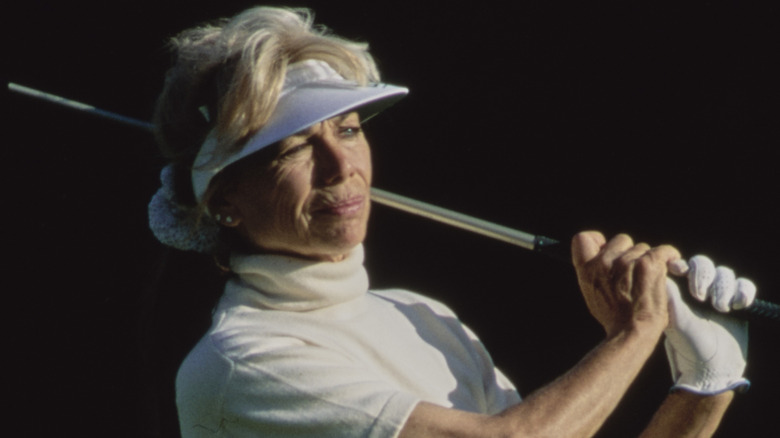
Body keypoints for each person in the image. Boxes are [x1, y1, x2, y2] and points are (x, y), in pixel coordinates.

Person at [147, 6, 757, 437]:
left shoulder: (422, 317)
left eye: (350, 130)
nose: (341, 166)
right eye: (293, 148)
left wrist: (704, 386)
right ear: (223, 200)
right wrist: (637, 330)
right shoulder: (238, 363)